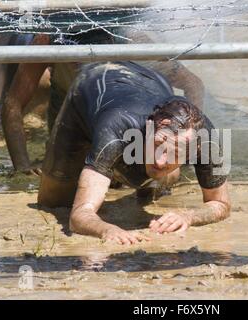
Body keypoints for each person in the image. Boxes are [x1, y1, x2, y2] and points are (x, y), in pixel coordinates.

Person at [37, 61, 230, 245]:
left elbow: (221, 204)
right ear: (148, 128)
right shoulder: (117, 129)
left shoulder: (207, 139)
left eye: (176, 154)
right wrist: (107, 230)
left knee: (163, 174)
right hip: (91, 85)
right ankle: (106, 168)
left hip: (150, 81)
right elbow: (79, 215)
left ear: (192, 152)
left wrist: (188, 216)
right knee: (54, 202)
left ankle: (138, 174)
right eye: (158, 144)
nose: (161, 161)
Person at [1, 30, 205, 175]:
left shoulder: (131, 39)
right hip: (72, 129)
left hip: (124, 132)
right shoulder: (51, 38)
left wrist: (186, 153)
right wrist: (21, 165)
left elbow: (194, 84)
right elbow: (13, 104)